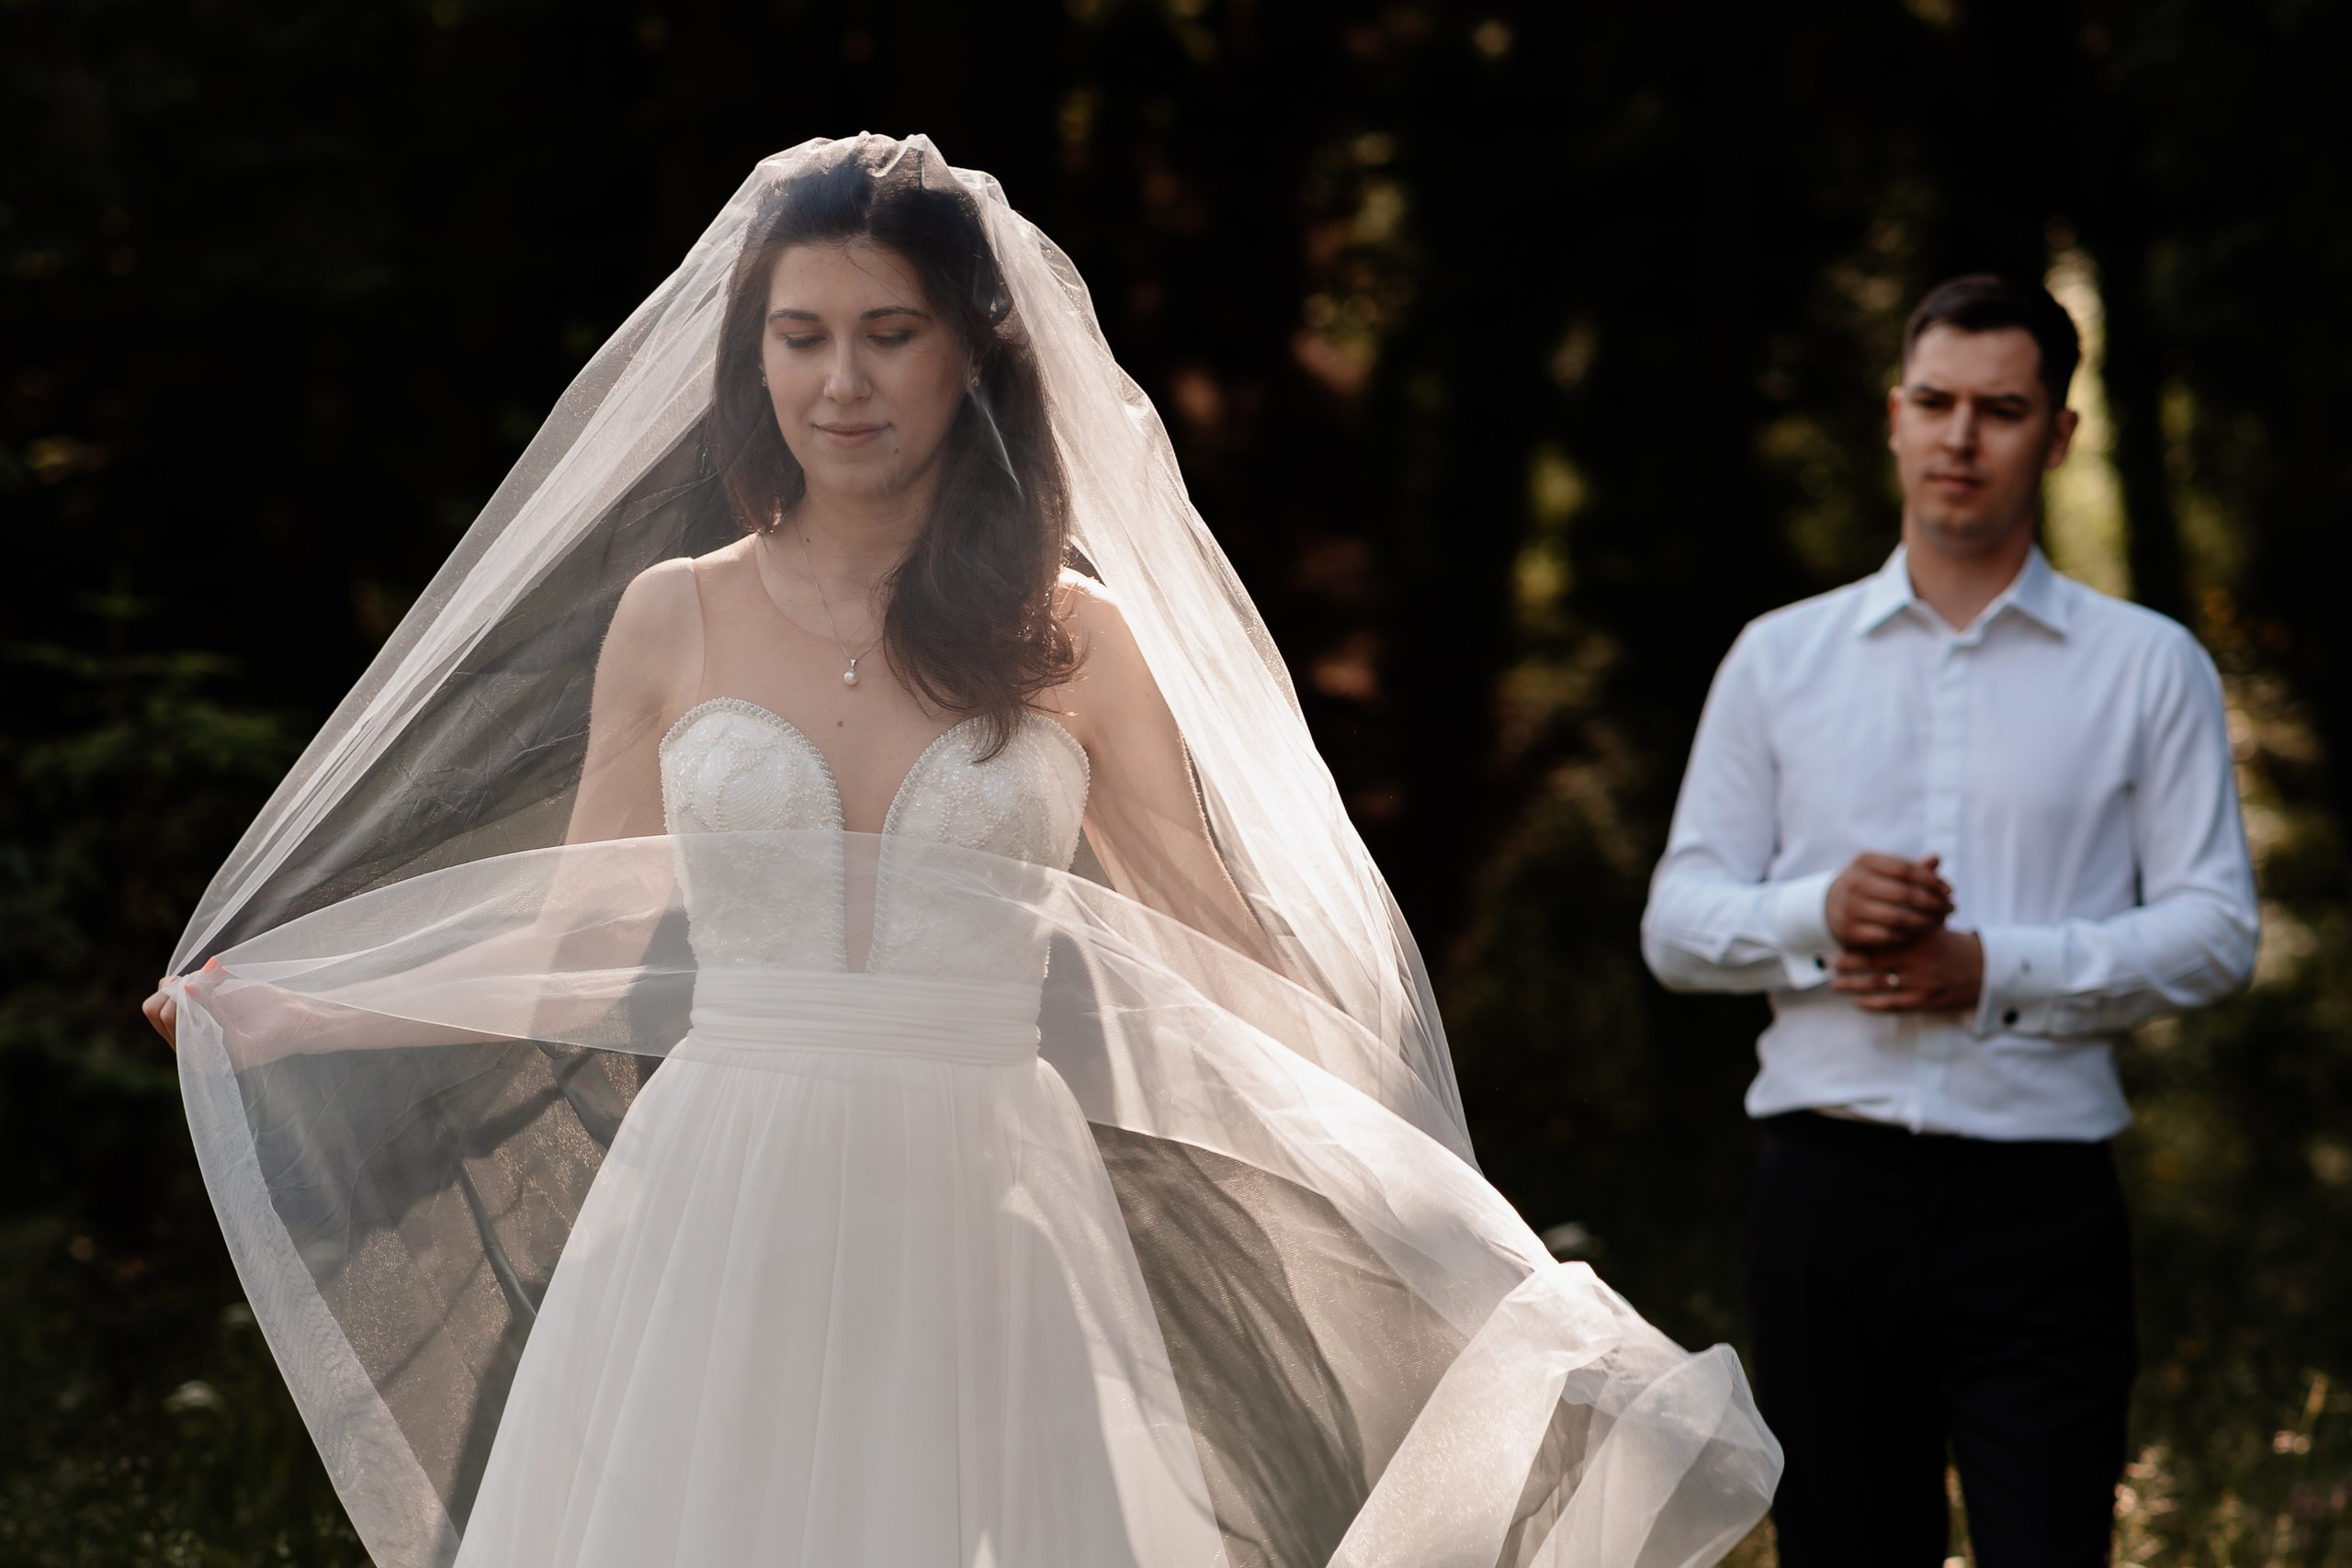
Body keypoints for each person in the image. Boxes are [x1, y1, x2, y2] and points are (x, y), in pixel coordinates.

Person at [146, 137, 1780, 1567]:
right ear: (754, 360)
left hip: (986, 1208)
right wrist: (296, 1010)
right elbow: (582, 937)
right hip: (725, 1192)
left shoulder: (1072, 640)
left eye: (886, 335)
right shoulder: (675, 618)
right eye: (801, 338)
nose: (839, 382)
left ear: (970, 358)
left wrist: (1432, 1203)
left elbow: (1221, 950)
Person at [1641, 274, 2258, 1565]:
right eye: (1934, 401)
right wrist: (1820, 912)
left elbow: (2215, 931)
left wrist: (1992, 969)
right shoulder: (1778, 658)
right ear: (1893, 415)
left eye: (2001, 408)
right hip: (1823, 1194)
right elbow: (1678, 925)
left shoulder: (2151, 667)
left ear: (2061, 435)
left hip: (2040, 1202)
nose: (1960, 437)